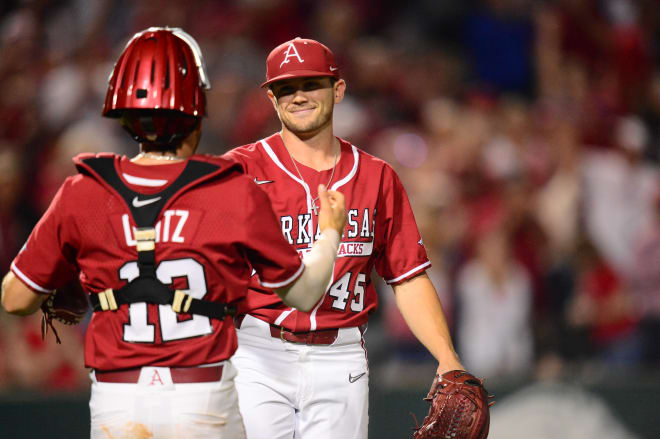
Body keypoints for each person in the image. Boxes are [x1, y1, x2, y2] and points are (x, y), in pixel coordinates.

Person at [1, 28, 346, 439]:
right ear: (197, 110)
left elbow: (15, 299)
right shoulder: (231, 190)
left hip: (118, 400)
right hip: (202, 398)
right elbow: (305, 295)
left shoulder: (82, 190)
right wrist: (329, 232)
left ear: (124, 114)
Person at [225, 37, 465, 439]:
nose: (298, 96)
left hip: (340, 357)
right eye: (285, 88)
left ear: (338, 90)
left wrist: (448, 358)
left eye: (310, 84)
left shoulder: (376, 177)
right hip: (257, 353)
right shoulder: (239, 169)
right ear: (271, 98)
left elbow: (408, 276)